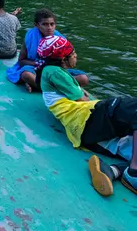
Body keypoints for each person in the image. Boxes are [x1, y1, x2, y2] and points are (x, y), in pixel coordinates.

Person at [36, 36, 137, 198]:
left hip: (90, 132)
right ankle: (133, 172)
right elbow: (80, 98)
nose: (76, 56)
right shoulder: (52, 71)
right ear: (63, 57)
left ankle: (113, 170)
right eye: (73, 53)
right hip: (86, 118)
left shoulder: (53, 71)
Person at [6, 8, 89, 92]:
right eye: (45, 24)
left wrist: (56, 71)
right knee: (26, 75)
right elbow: (21, 61)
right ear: (36, 25)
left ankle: (39, 86)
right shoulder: (30, 36)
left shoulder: (60, 40)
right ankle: (57, 87)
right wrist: (40, 64)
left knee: (83, 78)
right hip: (35, 69)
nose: (49, 28)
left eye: (52, 24)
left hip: (56, 71)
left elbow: (66, 64)